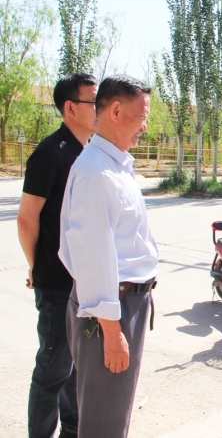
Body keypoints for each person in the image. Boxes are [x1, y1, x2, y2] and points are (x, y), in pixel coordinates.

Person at [59, 74, 159, 438]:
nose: (145, 126)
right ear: (116, 111)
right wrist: (112, 332)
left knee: (114, 413)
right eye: (141, 116)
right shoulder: (97, 173)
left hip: (124, 304)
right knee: (104, 422)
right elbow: (93, 260)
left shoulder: (113, 165)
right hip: (110, 311)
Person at [18, 73, 98, 438]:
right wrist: (36, 267)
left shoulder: (87, 153)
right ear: (70, 108)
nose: (100, 108)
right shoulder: (50, 153)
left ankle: (72, 431)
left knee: (76, 369)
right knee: (52, 371)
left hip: (83, 283)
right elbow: (27, 218)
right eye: (93, 102)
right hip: (56, 283)